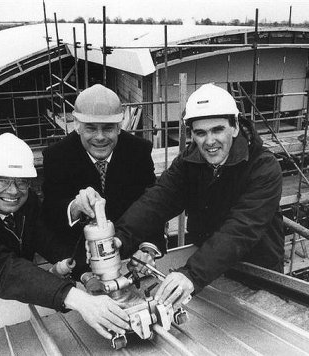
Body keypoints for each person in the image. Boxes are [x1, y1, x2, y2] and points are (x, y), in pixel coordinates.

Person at [0, 133, 129, 339]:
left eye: (22, 181)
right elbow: (4, 271)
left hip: (6, 308)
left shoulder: (26, 202)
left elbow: (47, 240)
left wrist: (85, 275)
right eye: (3, 180)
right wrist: (76, 298)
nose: (14, 191)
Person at [116, 83, 284, 307]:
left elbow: (241, 229)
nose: (209, 141)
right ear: (192, 134)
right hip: (209, 267)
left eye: (217, 130)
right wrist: (120, 237)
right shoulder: (190, 161)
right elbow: (158, 200)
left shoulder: (263, 167)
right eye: (200, 133)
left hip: (256, 275)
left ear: (234, 128)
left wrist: (191, 275)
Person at [42, 84, 162, 268]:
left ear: (120, 126)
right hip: (82, 261)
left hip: (132, 258)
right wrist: (75, 207)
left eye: (108, 129)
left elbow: (152, 204)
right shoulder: (57, 156)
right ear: (77, 125)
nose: (100, 137)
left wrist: (148, 248)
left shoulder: (138, 151)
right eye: (90, 128)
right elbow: (50, 212)